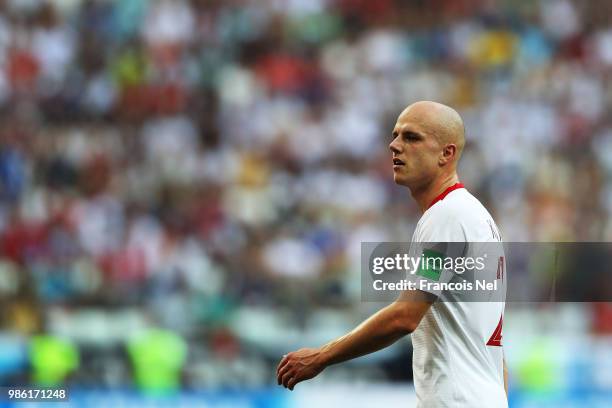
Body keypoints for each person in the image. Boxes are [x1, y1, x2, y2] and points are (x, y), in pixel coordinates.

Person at [276, 101, 508, 407]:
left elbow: (405, 316)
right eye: (395, 135)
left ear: (446, 154)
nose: (394, 145)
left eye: (411, 138)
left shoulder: (447, 217)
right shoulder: (476, 218)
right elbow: (496, 353)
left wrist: (321, 356)